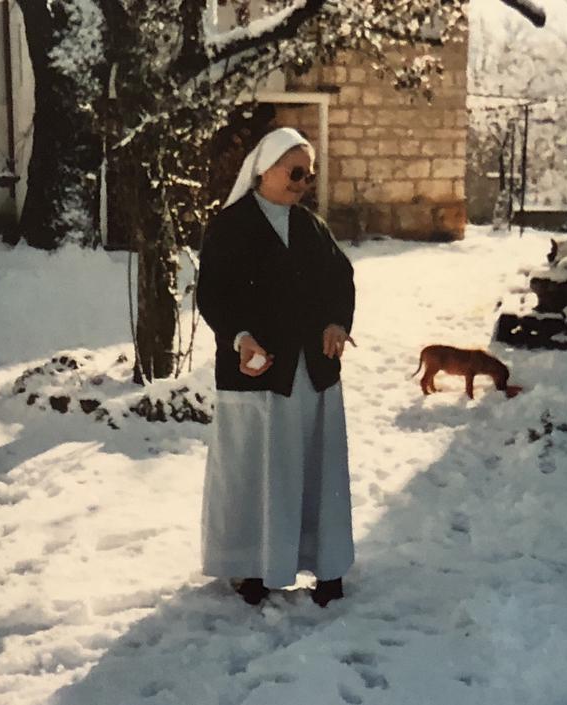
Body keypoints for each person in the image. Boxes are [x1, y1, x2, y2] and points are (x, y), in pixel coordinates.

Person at [196, 127, 356, 607]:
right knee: (256, 470)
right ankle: (252, 566)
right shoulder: (231, 226)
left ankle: (325, 564)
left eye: (309, 175)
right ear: (264, 169)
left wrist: (337, 322)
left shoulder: (311, 227)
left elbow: (341, 279)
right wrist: (240, 338)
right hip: (258, 371)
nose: (303, 183)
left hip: (313, 374)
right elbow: (213, 295)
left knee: (316, 469)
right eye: (295, 172)